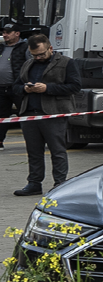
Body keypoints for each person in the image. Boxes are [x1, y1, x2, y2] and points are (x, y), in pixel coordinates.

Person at [11, 34, 81, 196]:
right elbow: (15, 86)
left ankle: (60, 184)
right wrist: (24, 89)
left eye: (41, 54)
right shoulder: (28, 64)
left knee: (57, 151)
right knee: (33, 151)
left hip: (53, 114)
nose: (38, 57)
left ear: (50, 48)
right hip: (29, 113)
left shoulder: (67, 63)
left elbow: (75, 86)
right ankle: (34, 183)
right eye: (34, 55)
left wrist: (47, 88)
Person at [0, 23, 31, 150]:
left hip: (18, 88)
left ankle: (33, 140)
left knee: (25, 114)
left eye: (8, 32)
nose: (4, 35)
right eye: (3, 32)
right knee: (2, 116)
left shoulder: (25, 48)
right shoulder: (1, 48)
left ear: (17, 33)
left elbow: (31, 65)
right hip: (2, 88)